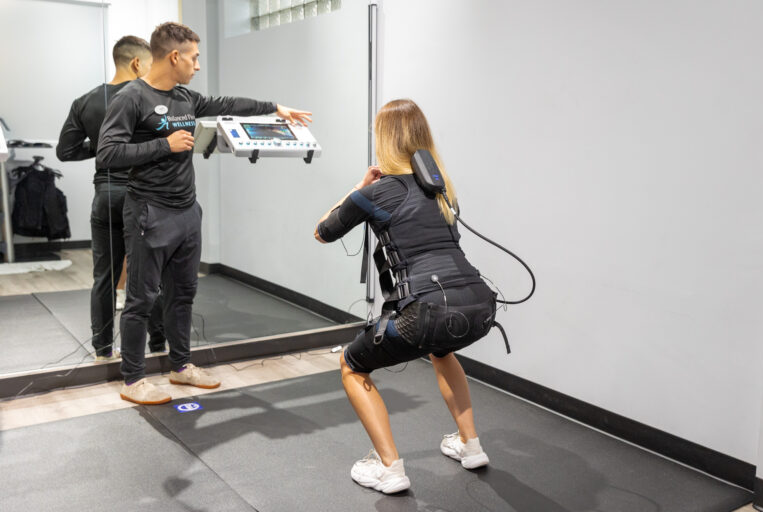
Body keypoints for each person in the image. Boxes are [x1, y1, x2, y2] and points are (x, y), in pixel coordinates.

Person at [96, 22, 312, 405]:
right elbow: (108, 154)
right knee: (141, 299)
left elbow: (226, 104)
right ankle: (133, 380)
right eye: (194, 58)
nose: (197, 65)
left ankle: (180, 367)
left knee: (182, 295)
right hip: (149, 212)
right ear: (174, 57)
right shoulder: (131, 98)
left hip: (186, 212)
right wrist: (164, 145)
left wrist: (273, 108)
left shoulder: (185, 97)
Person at [315, 99, 497, 494]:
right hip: (481, 306)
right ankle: (470, 445)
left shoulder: (376, 193)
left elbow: (323, 231)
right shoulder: (443, 190)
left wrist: (358, 188)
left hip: (427, 312)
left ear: (384, 140)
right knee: (442, 351)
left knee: (351, 365)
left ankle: (390, 468)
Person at [57, 35, 166, 361]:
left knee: (104, 277)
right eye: (150, 65)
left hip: (105, 197)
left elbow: (65, 151)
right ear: (136, 63)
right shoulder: (148, 97)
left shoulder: (86, 101)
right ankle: (158, 347)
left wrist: (101, 146)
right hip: (142, 196)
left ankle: (103, 351)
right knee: (150, 276)